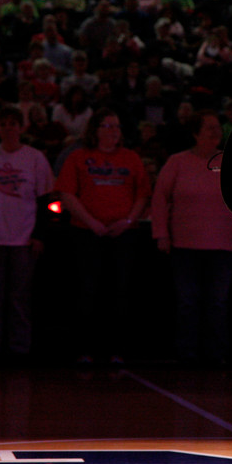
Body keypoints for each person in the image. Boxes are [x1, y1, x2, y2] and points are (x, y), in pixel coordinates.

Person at [151, 110, 232, 366]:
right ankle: (186, 355)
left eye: (216, 128)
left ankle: (216, 356)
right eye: (208, 128)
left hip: (223, 245)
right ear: (195, 133)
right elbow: (159, 199)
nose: (214, 132)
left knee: (218, 303)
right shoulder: (177, 162)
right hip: (184, 245)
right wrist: (161, 235)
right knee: (187, 302)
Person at [54, 108, 151, 365]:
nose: (113, 131)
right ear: (94, 130)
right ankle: (85, 349)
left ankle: (116, 350)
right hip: (86, 232)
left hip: (124, 234)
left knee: (120, 290)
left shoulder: (131, 158)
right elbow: (66, 194)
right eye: (107, 126)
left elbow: (142, 194)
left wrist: (129, 220)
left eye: (116, 126)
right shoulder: (78, 157)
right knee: (88, 290)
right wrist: (92, 222)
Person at [0, 106, 54, 363]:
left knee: (20, 297)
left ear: (21, 127)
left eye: (13, 123)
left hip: (24, 237)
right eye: (4, 123)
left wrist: (39, 235)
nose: (8, 128)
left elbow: (45, 201)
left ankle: (20, 350)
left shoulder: (35, 158)